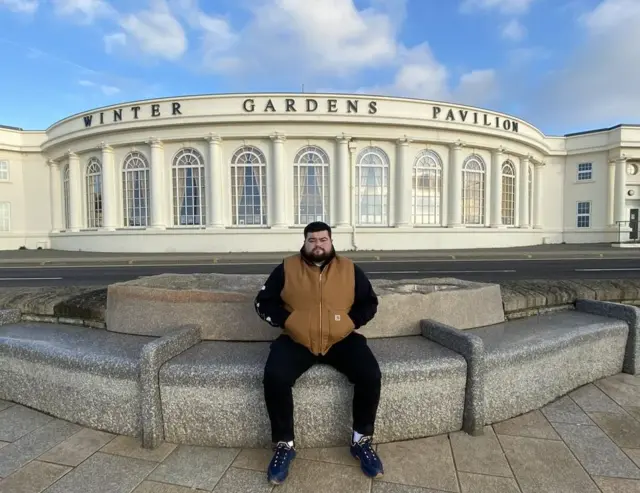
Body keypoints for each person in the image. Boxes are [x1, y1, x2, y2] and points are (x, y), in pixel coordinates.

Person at [254, 221, 384, 485]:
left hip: (341, 340)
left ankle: (361, 440)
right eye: (312, 240)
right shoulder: (287, 268)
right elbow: (263, 302)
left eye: (323, 240)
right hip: (297, 340)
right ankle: (284, 444)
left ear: (331, 241)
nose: (318, 245)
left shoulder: (349, 269)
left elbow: (369, 303)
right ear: (304, 242)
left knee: (370, 374)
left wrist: (349, 323)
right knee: (275, 376)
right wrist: (289, 322)